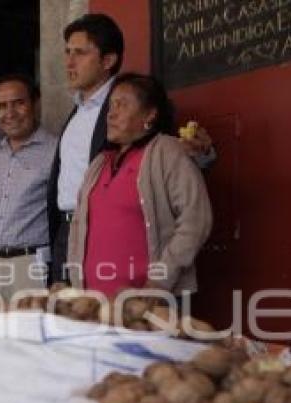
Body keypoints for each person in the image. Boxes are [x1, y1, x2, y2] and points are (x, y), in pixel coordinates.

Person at [48, 13, 215, 284]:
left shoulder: (140, 100)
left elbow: (175, 161)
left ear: (108, 60)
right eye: (67, 52)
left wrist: (202, 154)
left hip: (137, 260)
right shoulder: (77, 115)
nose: (69, 62)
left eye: (79, 53)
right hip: (72, 236)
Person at [66, 73, 212, 298]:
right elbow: (77, 226)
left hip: (148, 302)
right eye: (110, 106)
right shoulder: (99, 162)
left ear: (150, 114)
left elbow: (196, 220)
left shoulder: (167, 151)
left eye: (121, 105)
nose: (111, 114)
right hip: (95, 304)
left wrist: (159, 283)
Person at [0, 73, 57, 306]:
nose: (9, 113)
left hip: (30, 265)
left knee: (28, 340)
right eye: (1, 106)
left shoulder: (55, 152)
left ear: (35, 104)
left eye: (18, 103)